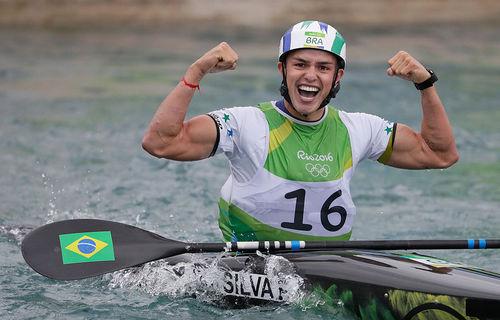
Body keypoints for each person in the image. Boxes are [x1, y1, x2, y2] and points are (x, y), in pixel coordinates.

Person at [142, 20, 459, 242]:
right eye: (300, 64)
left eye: (323, 68)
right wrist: (195, 73)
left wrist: (425, 84)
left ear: (338, 77)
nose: (311, 76)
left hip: (330, 273)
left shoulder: (360, 129)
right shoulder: (246, 124)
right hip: (250, 271)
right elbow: (161, 143)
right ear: (282, 69)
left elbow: (439, 154)